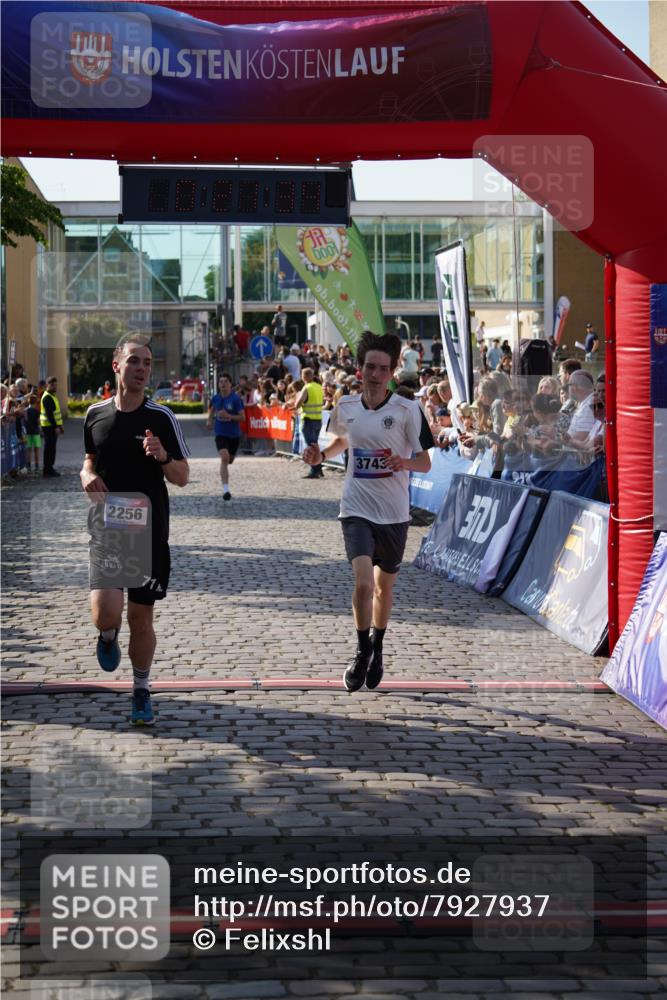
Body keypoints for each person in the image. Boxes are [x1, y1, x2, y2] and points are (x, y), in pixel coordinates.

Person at [303, 330, 434, 693]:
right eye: (368, 367)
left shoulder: (408, 410)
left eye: (381, 369)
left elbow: (425, 463)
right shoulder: (345, 406)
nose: (373, 374)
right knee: (362, 582)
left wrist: (401, 462)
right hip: (356, 507)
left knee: (382, 588)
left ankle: (377, 647)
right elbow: (342, 441)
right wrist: (321, 456)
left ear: (392, 372)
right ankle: (361, 651)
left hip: (393, 512)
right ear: (359, 368)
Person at [80, 335, 189, 726]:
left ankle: (141, 690)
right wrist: (87, 475)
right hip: (109, 527)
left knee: (141, 619)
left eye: (147, 363)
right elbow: (88, 461)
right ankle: (106, 637)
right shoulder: (95, 414)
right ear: (117, 367)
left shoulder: (161, 417)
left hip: (149, 530)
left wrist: (161, 456)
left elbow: (182, 477)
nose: (142, 369)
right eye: (134, 362)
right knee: (106, 614)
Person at [207, 372, 245, 501]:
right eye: (221, 382)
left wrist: (228, 416)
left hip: (234, 435)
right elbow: (212, 409)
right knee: (224, 457)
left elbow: (242, 417)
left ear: (230, 384)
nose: (223, 384)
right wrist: (209, 420)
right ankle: (225, 489)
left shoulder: (235, 399)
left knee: (230, 460)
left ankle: (225, 483)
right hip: (220, 433)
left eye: (225, 382)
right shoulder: (216, 398)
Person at [294, 367, 325, 479]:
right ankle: (319, 468)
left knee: (311, 447)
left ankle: (314, 470)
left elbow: (297, 404)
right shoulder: (318, 387)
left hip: (308, 420)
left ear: (305, 376)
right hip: (318, 419)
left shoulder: (306, 388)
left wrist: (297, 403)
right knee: (315, 445)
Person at [40, 375, 64, 477]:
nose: (54, 386)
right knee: (49, 448)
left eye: (55, 385)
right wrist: (56, 427)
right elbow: (50, 415)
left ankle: (49, 468)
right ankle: (47, 469)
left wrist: (60, 426)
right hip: (48, 426)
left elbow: (55, 414)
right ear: (47, 385)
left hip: (51, 426)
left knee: (51, 448)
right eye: (52, 385)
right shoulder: (47, 397)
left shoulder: (51, 396)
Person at [24, 392, 41, 472]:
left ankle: (28, 466)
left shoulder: (26, 410)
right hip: (36, 432)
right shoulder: (37, 411)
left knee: (29, 450)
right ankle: (37, 466)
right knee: (36, 450)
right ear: (36, 402)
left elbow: (26, 420)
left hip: (28, 432)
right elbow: (38, 422)